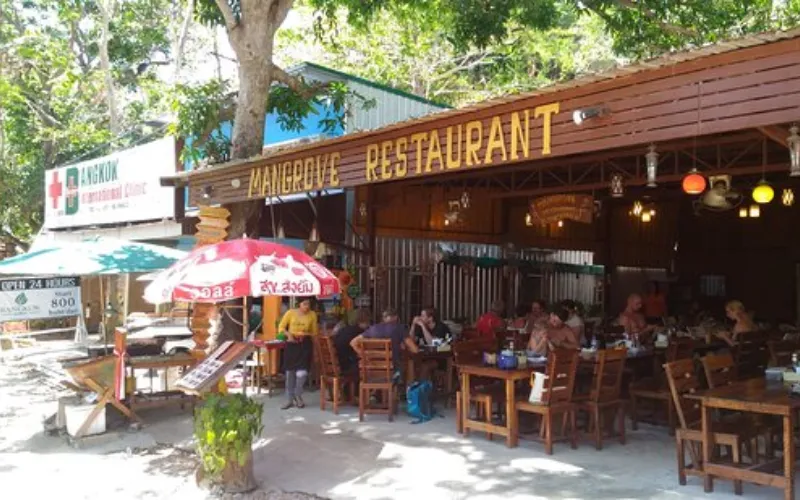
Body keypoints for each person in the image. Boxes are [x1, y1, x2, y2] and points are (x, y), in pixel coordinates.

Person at [351, 307, 418, 381]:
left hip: (370, 370)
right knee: (409, 364)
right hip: (392, 371)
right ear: (396, 317)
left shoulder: (373, 329)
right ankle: (409, 390)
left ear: (383, 319)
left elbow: (353, 343)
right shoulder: (400, 328)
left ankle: (379, 391)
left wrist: (364, 356)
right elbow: (415, 350)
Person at [278, 297, 318, 410]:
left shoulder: (312, 315)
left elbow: (314, 333)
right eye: (304, 304)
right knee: (290, 374)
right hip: (291, 345)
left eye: (308, 304)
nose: (307, 306)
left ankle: (298, 394)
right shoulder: (290, 313)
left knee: (302, 373)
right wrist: (289, 335)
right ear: (299, 304)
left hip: (305, 345)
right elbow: (281, 327)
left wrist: (315, 349)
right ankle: (289, 400)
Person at [333, 308, 371, 375]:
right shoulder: (360, 333)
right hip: (350, 366)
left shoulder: (344, 330)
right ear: (366, 321)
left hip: (339, 365)